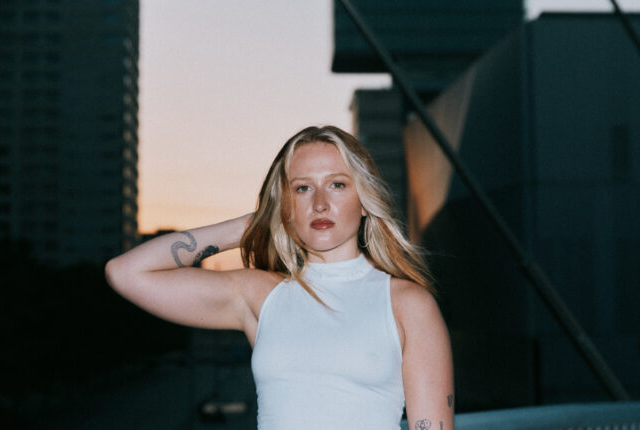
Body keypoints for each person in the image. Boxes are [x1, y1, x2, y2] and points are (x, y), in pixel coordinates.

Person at [105, 125, 454, 430]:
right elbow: (125, 272)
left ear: (364, 200)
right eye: (302, 188)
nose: (320, 203)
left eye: (337, 184)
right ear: (285, 204)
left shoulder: (407, 303)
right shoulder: (260, 294)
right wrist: (252, 225)